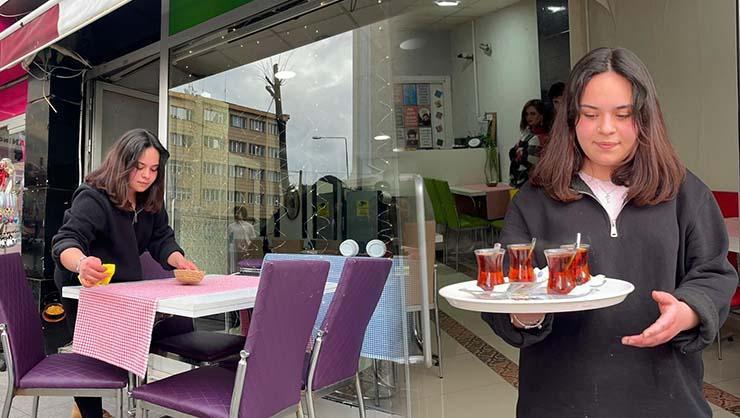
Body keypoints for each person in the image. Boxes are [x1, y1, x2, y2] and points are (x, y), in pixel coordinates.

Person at [484, 47, 738, 417]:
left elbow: (713, 272)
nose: (606, 128)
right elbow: (504, 289)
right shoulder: (535, 201)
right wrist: (525, 313)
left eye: (623, 114)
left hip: (666, 400)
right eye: (590, 114)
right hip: (560, 402)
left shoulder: (683, 192)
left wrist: (687, 311)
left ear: (645, 118)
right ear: (571, 118)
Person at [52, 128, 198, 418]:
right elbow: (66, 240)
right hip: (85, 286)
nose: (147, 176)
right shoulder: (94, 197)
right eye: (139, 167)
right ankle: (88, 412)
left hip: (124, 289)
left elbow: (162, 239)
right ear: (122, 163)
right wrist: (82, 263)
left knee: (178, 325)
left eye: (154, 169)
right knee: (92, 357)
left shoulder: (149, 200)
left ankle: (156, 400)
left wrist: (178, 260)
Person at [508, 99, 548, 187]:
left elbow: (533, 162)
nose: (529, 117)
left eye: (533, 114)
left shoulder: (543, 137)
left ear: (541, 116)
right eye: (526, 114)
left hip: (536, 183)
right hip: (519, 181)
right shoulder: (526, 134)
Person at [227, 205, 258, 272]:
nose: (236, 214)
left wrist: (248, 247)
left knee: (245, 267)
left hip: (246, 250)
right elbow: (229, 239)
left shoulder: (249, 226)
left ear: (243, 213)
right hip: (234, 251)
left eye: (238, 212)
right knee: (234, 267)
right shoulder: (231, 226)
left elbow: (253, 239)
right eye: (235, 212)